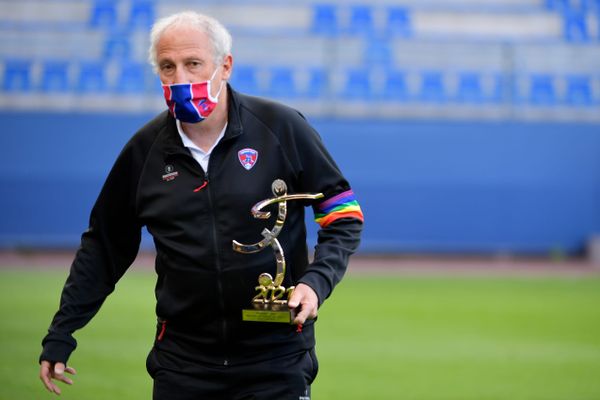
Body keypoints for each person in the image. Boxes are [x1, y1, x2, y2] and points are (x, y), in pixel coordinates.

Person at [39, 10, 363, 399]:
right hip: (182, 365)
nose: (180, 79)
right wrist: (62, 330)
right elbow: (104, 247)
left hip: (276, 360)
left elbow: (343, 214)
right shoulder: (144, 151)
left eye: (193, 64)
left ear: (224, 66)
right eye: (167, 66)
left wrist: (315, 282)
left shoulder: (281, 128)